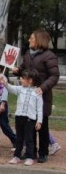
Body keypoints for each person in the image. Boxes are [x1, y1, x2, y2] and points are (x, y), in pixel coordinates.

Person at [12, 28, 60, 163]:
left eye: (31, 38)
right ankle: (30, 153)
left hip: (42, 95)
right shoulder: (28, 54)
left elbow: (55, 76)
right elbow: (24, 69)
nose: (29, 40)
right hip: (28, 93)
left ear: (39, 40)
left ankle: (43, 152)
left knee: (42, 125)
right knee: (29, 125)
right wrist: (18, 71)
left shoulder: (49, 55)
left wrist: (43, 88)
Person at [2, 69, 43, 166]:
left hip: (30, 119)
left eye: (23, 78)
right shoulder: (20, 89)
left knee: (29, 138)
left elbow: (39, 109)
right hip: (19, 117)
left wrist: (39, 121)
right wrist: (5, 83)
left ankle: (30, 157)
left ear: (30, 80)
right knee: (19, 138)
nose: (21, 80)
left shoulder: (37, 92)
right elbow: (11, 88)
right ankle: (17, 156)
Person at [0, 62, 17, 149]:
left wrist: (3, 103)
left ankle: (15, 140)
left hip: (1, 103)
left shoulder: (2, 77)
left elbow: (5, 91)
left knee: (4, 124)